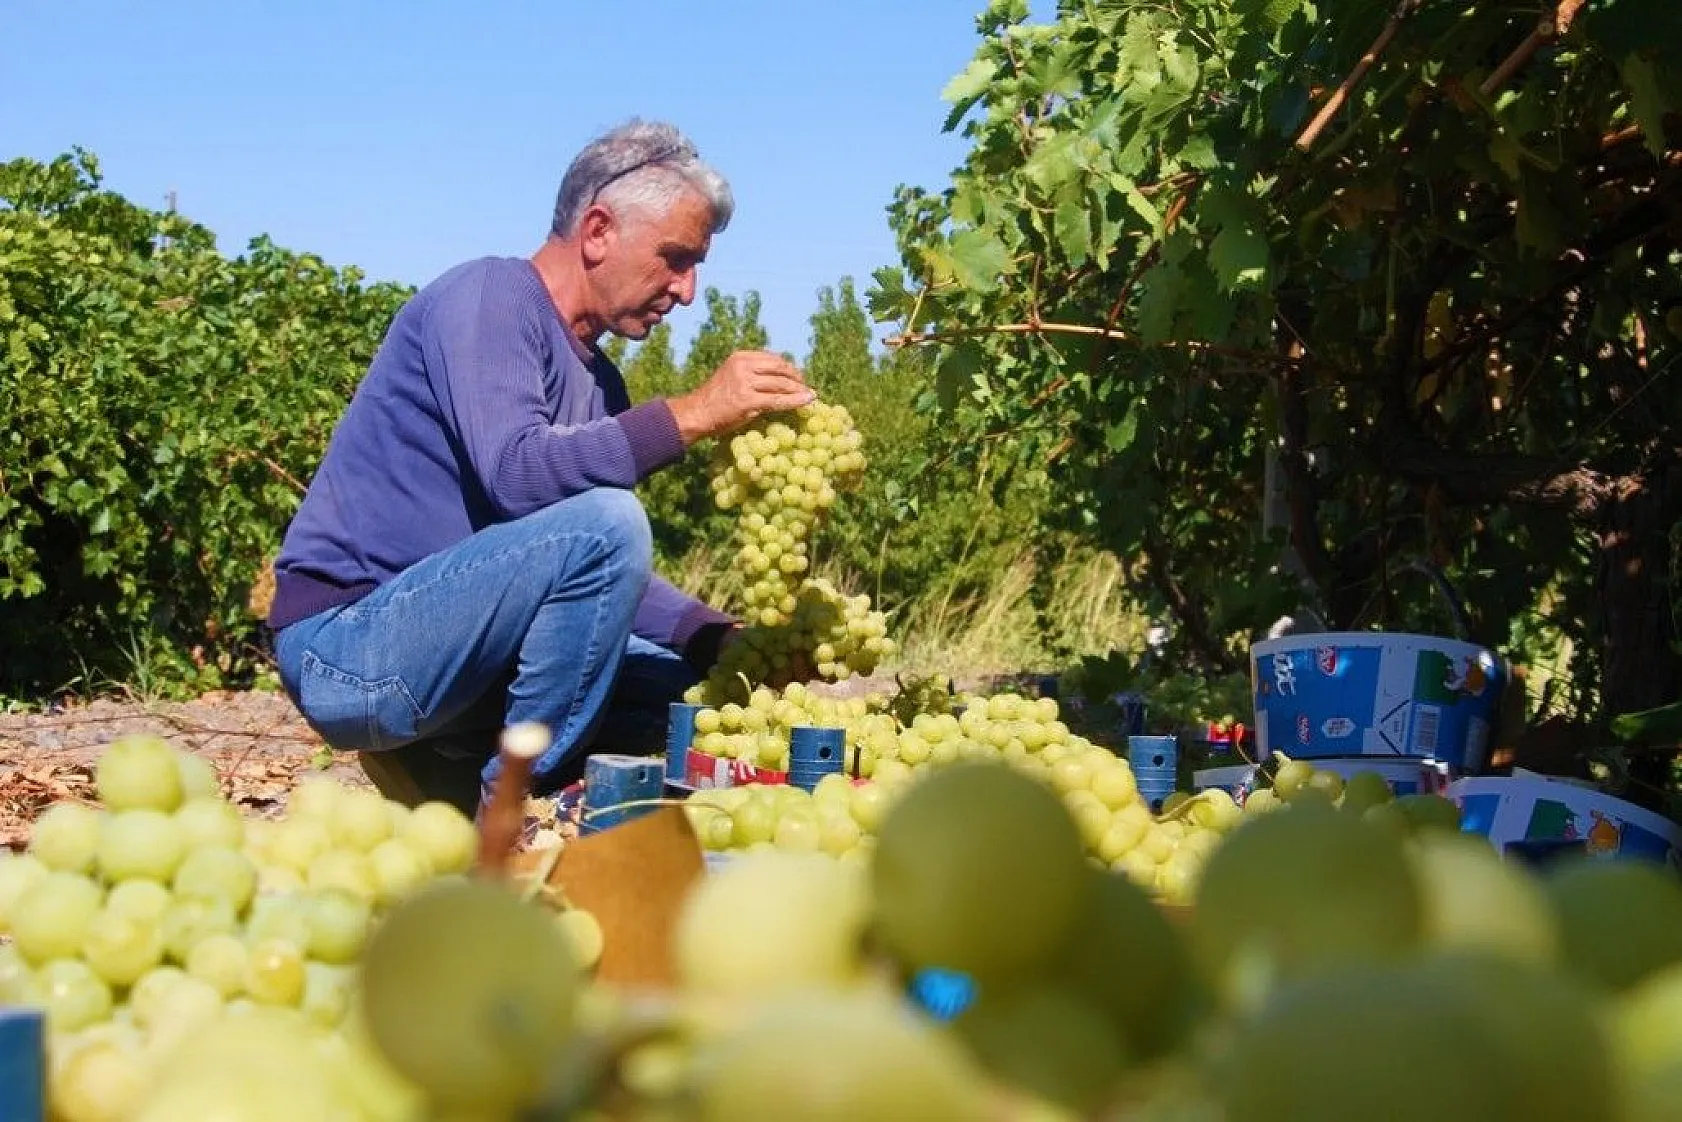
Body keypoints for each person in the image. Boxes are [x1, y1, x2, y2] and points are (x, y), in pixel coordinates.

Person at [265, 119, 815, 818]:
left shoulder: (601, 384)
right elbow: (518, 476)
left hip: (455, 662)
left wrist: (715, 638)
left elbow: (594, 573)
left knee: (699, 695)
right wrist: (691, 413)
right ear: (597, 231)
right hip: (349, 651)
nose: (688, 291)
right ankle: (514, 811)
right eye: (675, 258)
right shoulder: (489, 296)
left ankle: (449, 772)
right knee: (611, 520)